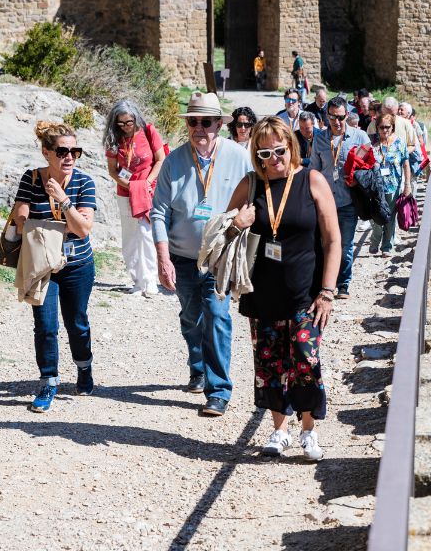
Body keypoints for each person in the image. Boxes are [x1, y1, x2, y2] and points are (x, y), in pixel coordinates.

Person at [224, 117, 341, 461]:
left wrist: (328, 291)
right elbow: (222, 238)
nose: (274, 158)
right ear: (256, 156)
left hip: (307, 294)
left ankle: (309, 430)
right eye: (264, 153)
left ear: (291, 146)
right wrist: (235, 223)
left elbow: (333, 239)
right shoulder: (250, 185)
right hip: (261, 295)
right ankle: (279, 430)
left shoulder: (312, 181)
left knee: (305, 359)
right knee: (269, 365)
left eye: (279, 149)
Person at [151, 92, 252, 417]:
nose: (199, 128)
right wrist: (163, 258)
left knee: (217, 316)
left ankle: (218, 390)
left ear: (219, 125)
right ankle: (197, 363)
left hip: (220, 256)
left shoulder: (238, 156)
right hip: (181, 256)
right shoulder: (174, 161)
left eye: (206, 122)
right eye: (193, 122)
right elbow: (159, 213)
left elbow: (253, 199)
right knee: (190, 318)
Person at [11, 120, 97, 413]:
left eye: (75, 151)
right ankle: (48, 382)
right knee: (45, 326)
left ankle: (84, 367)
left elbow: (84, 229)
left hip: (77, 263)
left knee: (77, 322)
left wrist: (64, 201)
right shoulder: (31, 178)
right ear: (47, 152)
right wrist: (35, 225)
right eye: (62, 151)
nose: (69, 157)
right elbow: (20, 220)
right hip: (42, 265)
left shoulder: (84, 183)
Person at [104, 100, 168, 297]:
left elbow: (160, 160)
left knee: (146, 234)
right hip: (126, 192)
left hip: (149, 192)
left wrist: (147, 183)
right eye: (120, 123)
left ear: (136, 118)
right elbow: (113, 171)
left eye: (128, 122)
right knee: (131, 236)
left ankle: (150, 281)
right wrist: (130, 186)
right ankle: (137, 280)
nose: (125, 127)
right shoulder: (114, 137)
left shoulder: (148, 131)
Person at [325, 96, 369, 298]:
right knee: (325, 242)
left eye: (341, 117)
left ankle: (343, 283)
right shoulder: (319, 139)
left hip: (348, 202)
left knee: (345, 245)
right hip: (325, 203)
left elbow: (371, 168)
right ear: (327, 116)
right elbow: (315, 171)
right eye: (333, 117)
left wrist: (357, 180)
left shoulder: (360, 137)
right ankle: (326, 282)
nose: (337, 122)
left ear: (347, 116)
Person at [368, 112, 412, 258]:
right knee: (375, 218)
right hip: (375, 188)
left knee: (389, 217)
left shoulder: (399, 143)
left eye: (388, 127)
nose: (385, 130)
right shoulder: (371, 144)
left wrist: (407, 184)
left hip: (393, 187)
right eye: (382, 127)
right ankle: (375, 241)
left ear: (392, 127)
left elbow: (406, 163)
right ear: (377, 127)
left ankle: (387, 246)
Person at [295, 111, 332, 183]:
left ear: (313, 124)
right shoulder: (295, 136)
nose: (303, 131)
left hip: (318, 174)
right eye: (301, 128)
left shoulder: (321, 137)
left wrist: (302, 160)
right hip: (300, 172)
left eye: (307, 128)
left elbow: (321, 160)